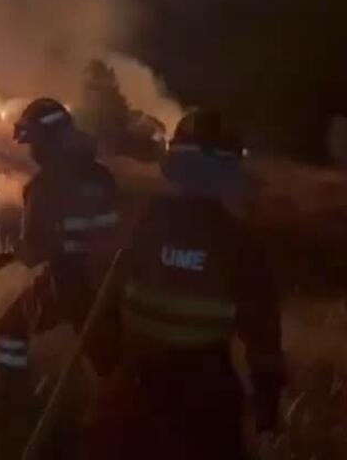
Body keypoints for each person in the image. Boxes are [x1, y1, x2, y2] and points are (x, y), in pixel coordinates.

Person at [87, 108, 284, 460]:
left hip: (134, 397)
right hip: (206, 408)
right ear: (228, 174)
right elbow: (264, 340)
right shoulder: (241, 245)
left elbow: (101, 309)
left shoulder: (142, 223)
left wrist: (116, 378)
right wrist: (266, 419)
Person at [0, 98, 121, 388]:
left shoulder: (44, 186)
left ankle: (10, 401)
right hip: (110, 280)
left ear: (47, 142)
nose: (32, 151)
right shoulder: (102, 176)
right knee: (111, 362)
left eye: (33, 142)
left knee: (10, 329)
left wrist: (15, 256)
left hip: (68, 282)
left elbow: (37, 249)